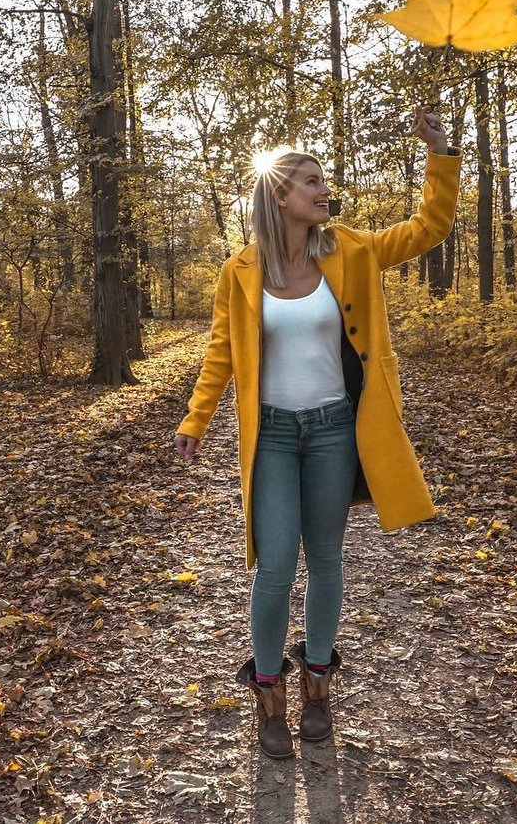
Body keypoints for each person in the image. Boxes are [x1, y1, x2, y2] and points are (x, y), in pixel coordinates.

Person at [173, 106, 462, 759]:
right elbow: (220, 352)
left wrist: (438, 154)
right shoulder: (240, 271)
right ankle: (269, 693)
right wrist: (195, 419)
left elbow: (429, 228)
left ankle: (319, 687)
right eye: (311, 182)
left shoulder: (353, 249)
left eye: (323, 181)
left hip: (336, 430)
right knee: (274, 566)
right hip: (272, 436)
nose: (325, 190)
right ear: (280, 196)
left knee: (327, 560)